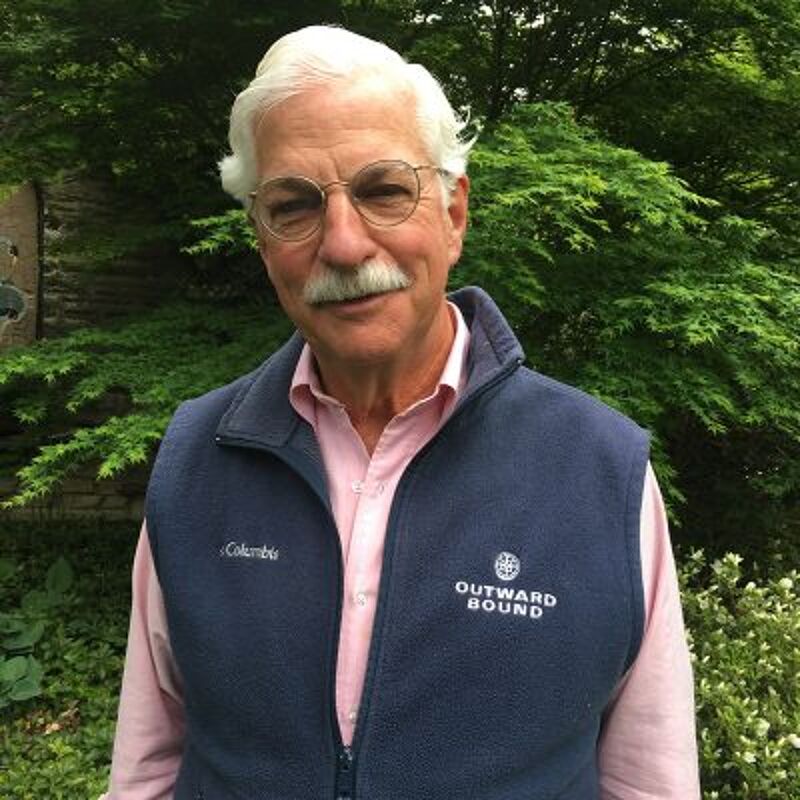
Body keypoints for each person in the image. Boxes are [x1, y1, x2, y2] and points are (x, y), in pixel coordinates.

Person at [103, 25, 700, 800]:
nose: (345, 245)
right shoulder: (196, 459)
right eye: (294, 205)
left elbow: (650, 782)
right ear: (261, 237)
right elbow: (149, 766)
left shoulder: (601, 469)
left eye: (384, 190)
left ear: (454, 213)